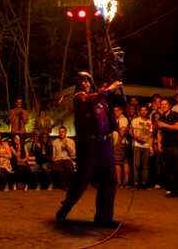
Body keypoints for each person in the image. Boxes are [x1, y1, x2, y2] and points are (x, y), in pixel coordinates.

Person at [56, 72, 122, 227]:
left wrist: (115, 130)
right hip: (89, 146)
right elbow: (90, 99)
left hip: (104, 145)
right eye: (82, 81)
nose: (85, 83)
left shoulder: (102, 101)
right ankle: (65, 208)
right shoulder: (80, 98)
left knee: (109, 180)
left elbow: (110, 119)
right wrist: (109, 89)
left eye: (87, 81)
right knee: (82, 180)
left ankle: (104, 218)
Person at [156, 98, 178, 202]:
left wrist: (164, 125)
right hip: (166, 146)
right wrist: (159, 144)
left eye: (165, 104)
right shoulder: (161, 117)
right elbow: (159, 132)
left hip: (176, 146)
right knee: (170, 170)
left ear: (169, 105)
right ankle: (174, 190)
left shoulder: (175, 114)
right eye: (162, 104)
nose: (163, 106)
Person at [131, 105, 153, 190]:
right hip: (137, 145)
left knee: (145, 166)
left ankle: (144, 183)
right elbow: (132, 131)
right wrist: (137, 137)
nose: (144, 112)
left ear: (147, 111)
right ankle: (136, 183)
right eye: (142, 110)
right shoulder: (135, 120)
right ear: (139, 111)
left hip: (146, 145)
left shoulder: (150, 121)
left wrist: (151, 147)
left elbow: (151, 135)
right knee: (136, 165)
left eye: (145, 110)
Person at [51, 125, 76, 190]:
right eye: (60, 132)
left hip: (66, 159)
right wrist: (53, 160)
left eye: (62, 132)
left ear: (65, 132)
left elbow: (73, 154)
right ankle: (63, 186)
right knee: (59, 169)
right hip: (58, 159)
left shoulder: (71, 141)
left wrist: (66, 147)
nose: (61, 133)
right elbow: (53, 154)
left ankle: (66, 186)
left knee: (70, 168)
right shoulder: (55, 142)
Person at [112, 105, 130, 188]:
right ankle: (125, 181)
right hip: (123, 143)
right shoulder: (120, 119)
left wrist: (117, 143)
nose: (115, 112)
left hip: (120, 143)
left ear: (121, 111)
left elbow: (122, 132)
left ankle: (119, 182)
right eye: (114, 111)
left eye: (117, 110)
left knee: (117, 163)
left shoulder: (122, 119)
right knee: (125, 161)